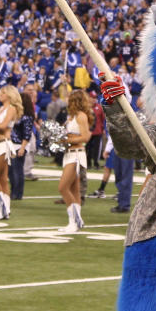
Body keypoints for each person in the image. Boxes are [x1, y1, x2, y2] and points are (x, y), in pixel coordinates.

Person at [59, 89, 93, 232]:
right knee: (74, 190)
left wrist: (68, 139)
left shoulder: (81, 116)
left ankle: (76, 220)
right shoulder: (72, 116)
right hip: (69, 154)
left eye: (69, 98)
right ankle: (73, 222)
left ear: (75, 100)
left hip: (77, 154)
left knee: (63, 187)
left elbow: (85, 137)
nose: (67, 100)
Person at [0, 83, 21, 220]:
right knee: (2, 179)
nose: (0, 95)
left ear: (9, 95)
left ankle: (2, 210)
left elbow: (3, 126)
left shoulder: (11, 108)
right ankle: (6, 209)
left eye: (3, 93)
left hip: (4, 145)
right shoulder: (2, 108)